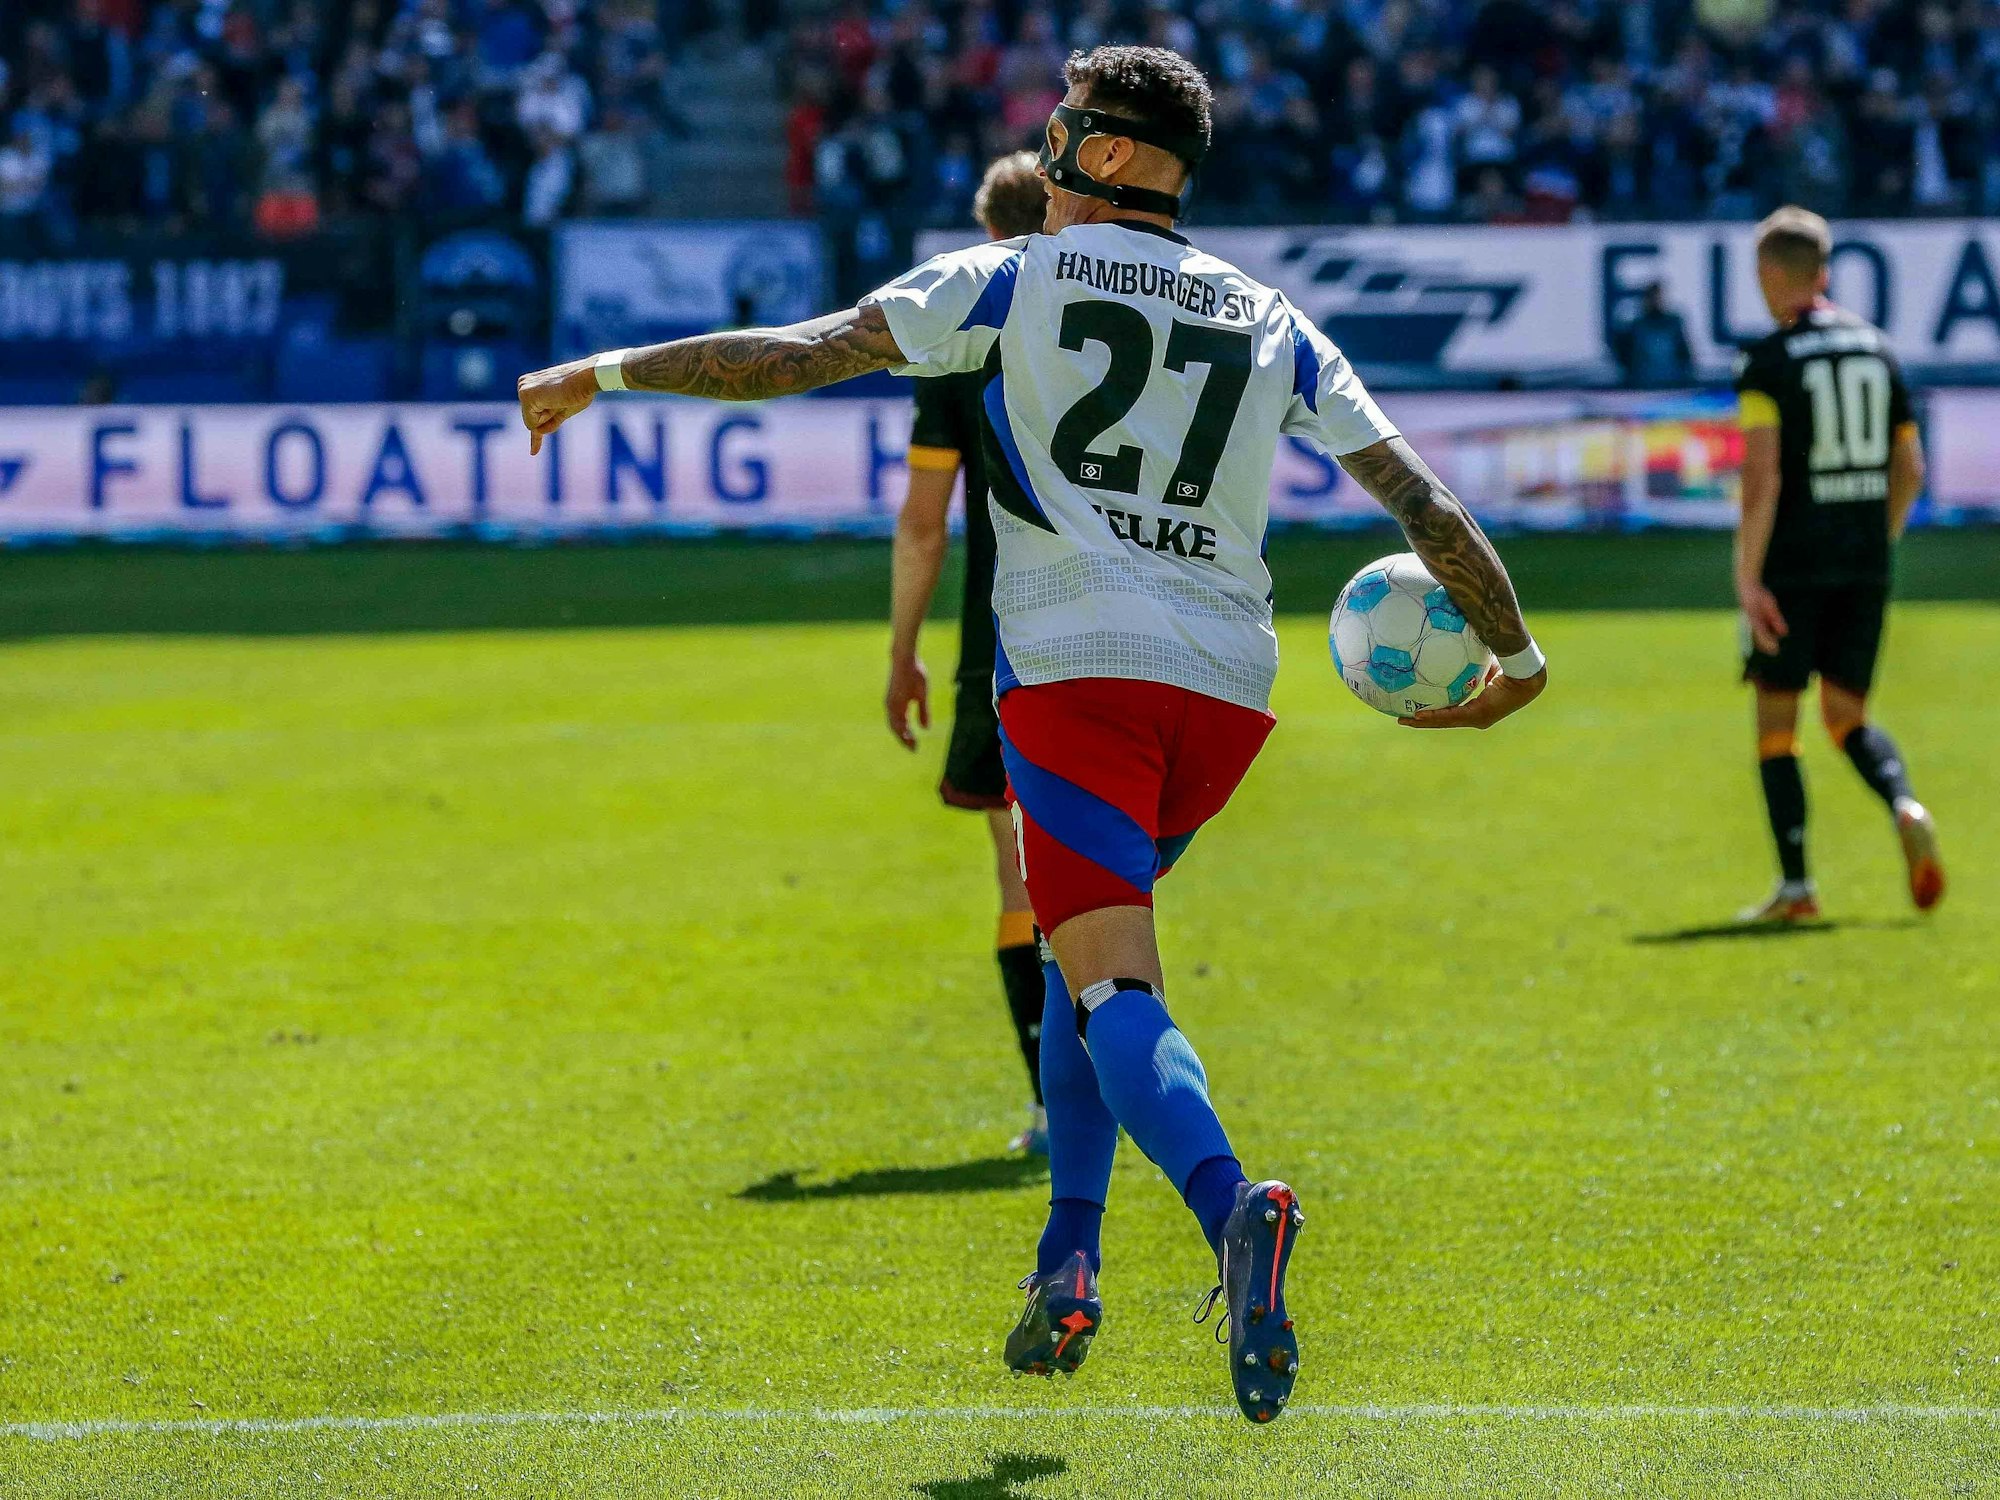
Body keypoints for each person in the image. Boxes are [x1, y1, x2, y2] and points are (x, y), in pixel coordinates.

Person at [516, 44, 1547, 1424]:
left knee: (1114, 982)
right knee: (1081, 961)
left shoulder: (1008, 277)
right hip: (1229, 699)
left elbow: (804, 353)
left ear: (1114, 156)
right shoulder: (1273, 317)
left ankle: (1236, 1208)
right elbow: (1418, 499)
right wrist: (1518, 653)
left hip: (1070, 680)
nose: (1049, 144)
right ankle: (1067, 1261)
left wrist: (609, 371)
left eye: (1066, 127)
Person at [884, 150, 1054, 1158]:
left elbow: (921, 523)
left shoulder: (958, 339)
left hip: (1006, 636)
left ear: (987, 234)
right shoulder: (1109, 316)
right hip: (1129, 624)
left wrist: (903, 649)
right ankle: (1124, 1067)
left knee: (1019, 873)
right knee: (1107, 870)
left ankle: (1051, 1101)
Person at [1733, 205, 1943, 923]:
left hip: (1793, 563)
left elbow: (1764, 480)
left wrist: (1748, 576)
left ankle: (1796, 889)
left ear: (1768, 274)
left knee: (1776, 724)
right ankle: (1904, 804)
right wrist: (1876, 541)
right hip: (1865, 562)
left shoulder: (1769, 361)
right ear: (1824, 272)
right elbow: (1910, 467)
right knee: (1848, 715)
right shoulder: (1880, 350)